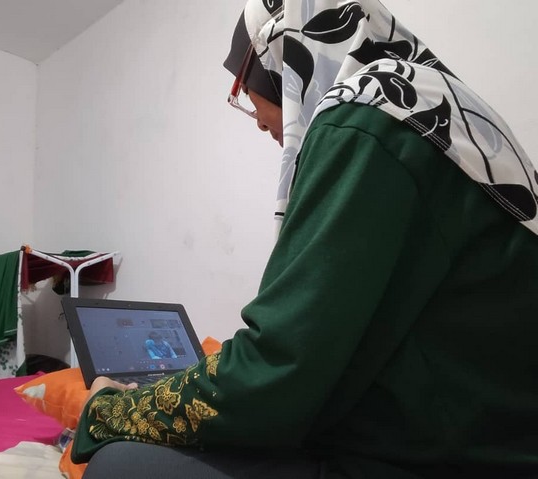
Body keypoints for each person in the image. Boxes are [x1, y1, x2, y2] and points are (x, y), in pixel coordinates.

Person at [73, 1, 538, 478]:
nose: (256, 119)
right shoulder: (434, 108)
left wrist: (107, 410)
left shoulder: (364, 120)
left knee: (120, 464)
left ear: (282, 56)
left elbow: (276, 373)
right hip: (473, 439)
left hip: (453, 460)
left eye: (245, 90)